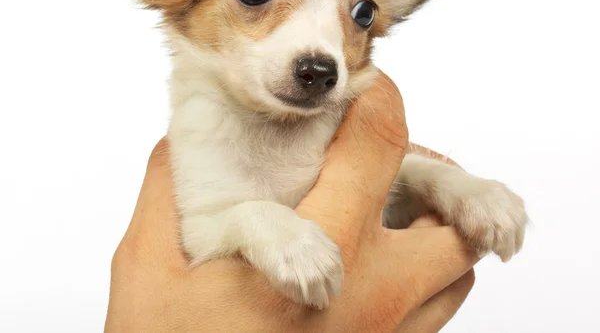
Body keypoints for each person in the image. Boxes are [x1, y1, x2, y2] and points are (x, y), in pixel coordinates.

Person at [105, 71, 478, 332]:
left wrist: (442, 183)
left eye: (360, 13)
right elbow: (202, 232)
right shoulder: (203, 129)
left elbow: (375, 202)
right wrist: (261, 223)